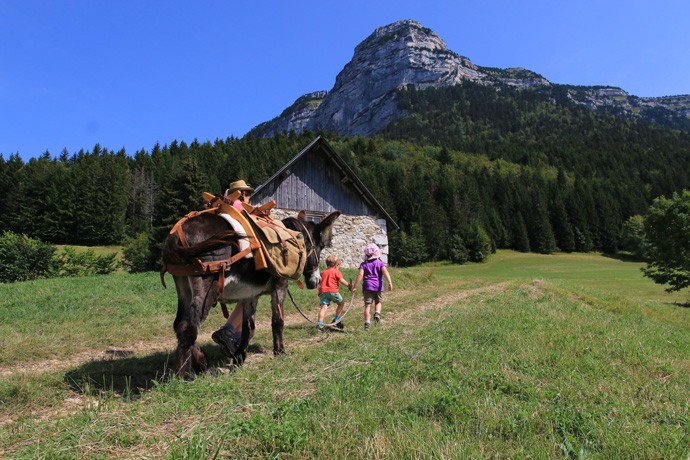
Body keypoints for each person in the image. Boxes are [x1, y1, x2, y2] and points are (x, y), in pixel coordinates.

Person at [212, 180, 256, 356]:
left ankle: (233, 336)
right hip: (241, 261)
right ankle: (229, 331)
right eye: (247, 194)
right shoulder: (238, 205)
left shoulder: (223, 206)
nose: (249, 198)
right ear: (240, 194)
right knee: (250, 295)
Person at [351, 243, 393, 330]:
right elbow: (386, 273)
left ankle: (367, 323)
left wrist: (355, 286)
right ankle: (377, 313)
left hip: (367, 287)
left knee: (368, 305)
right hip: (378, 286)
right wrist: (390, 283)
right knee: (378, 302)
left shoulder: (363, 264)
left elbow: (360, 275)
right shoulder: (380, 263)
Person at [316, 255, 352, 331]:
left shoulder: (323, 273)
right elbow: (341, 280)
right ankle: (336, 320)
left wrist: (319, 292)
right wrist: (349, 285)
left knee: (323, 308)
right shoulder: (336, 271)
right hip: (333, 291)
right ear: (336, 264)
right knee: (341, 303)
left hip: (323, 292)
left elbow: (319, 284)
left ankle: (320, 325)